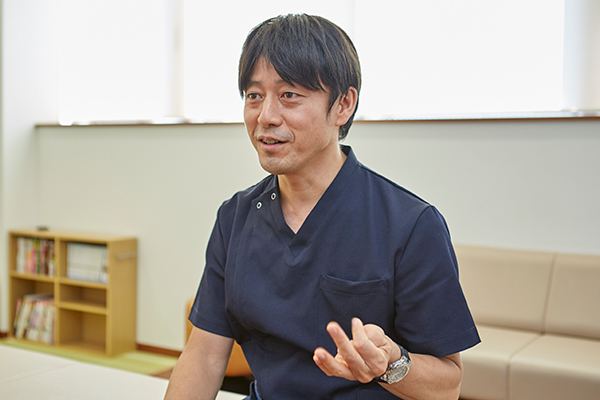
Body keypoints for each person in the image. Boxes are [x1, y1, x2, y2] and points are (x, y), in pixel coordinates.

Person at [164, 13, 480, 400]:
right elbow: (204, 357)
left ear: (343, 105)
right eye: (254, 96)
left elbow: (448, 386)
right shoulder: (235, 218)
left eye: (289, 95)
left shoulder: (411, 224)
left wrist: (390, 363)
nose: (266, 117)